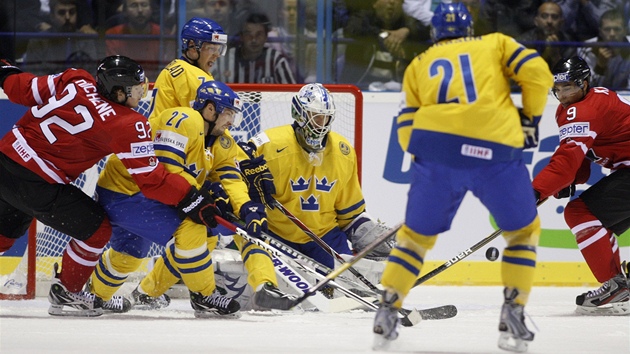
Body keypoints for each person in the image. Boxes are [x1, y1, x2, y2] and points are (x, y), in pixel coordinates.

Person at [372, 3, 553, 352]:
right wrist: (530, 119)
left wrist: (429, 157)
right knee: (522, 233)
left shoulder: (418, 64)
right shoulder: (495, 43)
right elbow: (538, 74)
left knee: (414, 240)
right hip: (495, 148)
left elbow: (406, 127)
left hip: (436, 151)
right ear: (469, 28)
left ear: (434, 31)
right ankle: (513, 311)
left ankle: (387, 310)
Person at [0, 55, 222, 316]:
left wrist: (4, 68)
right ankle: (68, 293)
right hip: (38, 182)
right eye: (137, 89)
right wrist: (191, 197)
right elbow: (152, 181)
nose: (142, 94)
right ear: (118, 91)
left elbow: (20, 88)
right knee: (97, 229)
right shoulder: (127, 123)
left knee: (4, 234)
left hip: (5, 163)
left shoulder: (76, 79)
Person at [132, 17, 297, 311]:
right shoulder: (187, 74)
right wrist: (244, 162)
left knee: (204, 231)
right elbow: (210, 129)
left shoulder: (187, 75)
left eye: (220, 47)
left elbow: (216, 134)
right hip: (176, 167)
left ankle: (149, 291)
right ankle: (253, 286)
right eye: (211, 47)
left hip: (189, 163)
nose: (217, 54)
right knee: (219, 225)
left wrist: (243, 161)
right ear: (192, 47)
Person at [89, 81, 251, 318]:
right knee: (194, 226)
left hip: (137, 195)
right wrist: (203, 196)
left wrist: (245, 207)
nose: (231, 121)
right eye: (227, 113)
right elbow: (167, 168)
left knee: (130, 251)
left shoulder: (222, 141)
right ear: (209, 109)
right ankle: (204, 296)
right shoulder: (184, 119)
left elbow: (231, 178)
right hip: (126, 191)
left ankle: (93, 296)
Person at [238, 83, 395, 270]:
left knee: (349, 286)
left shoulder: (342, 152)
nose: (321, 124)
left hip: (324, 237)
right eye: (315, 117)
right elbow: (234, 170)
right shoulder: (271, 146)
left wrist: (363, 230)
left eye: (326, 118)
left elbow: (349, 211)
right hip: (277, 234)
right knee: (285, 288)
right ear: (299, 114)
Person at [532, 56, 630, 316]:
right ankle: (619, 284)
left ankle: (617, 286)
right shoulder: (573, 107)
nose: (563, 95)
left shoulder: (582, 109)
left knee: (579, 213)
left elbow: (566, 162)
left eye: (569, 87)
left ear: (585, 84)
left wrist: (535, 191)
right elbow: (582, 158)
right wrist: (568, 180)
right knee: (598, 223)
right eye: (558, 89)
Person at [342, 0, 428, 91]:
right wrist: (382, 35)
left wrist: (407, 31)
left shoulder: (407, 21)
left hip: (399, 88)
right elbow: (351, 28)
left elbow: (426, 31)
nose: (391, 2)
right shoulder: (364, 17)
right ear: (374, 3)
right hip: (362, 85)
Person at [212, 12, 297, 84]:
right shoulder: (223, 60)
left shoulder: (276, 60)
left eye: (259, 34)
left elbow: (291, 94)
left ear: (266, 36)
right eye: (248, 34)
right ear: (241, 36)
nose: (253, 39)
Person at [22, 0, 98, 76]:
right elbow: (35, 77)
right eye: (62, 13)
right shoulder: (39, 41)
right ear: (52, 16)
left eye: (72, 12)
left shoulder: (86, 40)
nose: (67, 17)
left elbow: (91, 75)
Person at [105, 0, 168, 79]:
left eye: (144, 5)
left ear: (151, 9)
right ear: (125, 11)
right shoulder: (113, 35)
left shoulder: (164, 34)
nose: (140, 10)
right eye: (134, 5)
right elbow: (113, 70)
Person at [577, 9, 630, 90]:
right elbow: (585, 88)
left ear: (625, 31)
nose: (612, 34)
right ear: (600, 32)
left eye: (617, 29)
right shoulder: (587, 48)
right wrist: (600, 67)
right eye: (607, 29)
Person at [517, 2, 577, 69]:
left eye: (554, 17)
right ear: (536, 21)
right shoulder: (524, 42)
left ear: (561, 23)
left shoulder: (569, 44)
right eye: (544, 16)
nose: (549, 21)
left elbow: (569, 77)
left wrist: (556, 56)